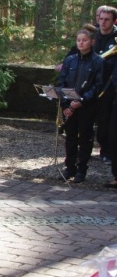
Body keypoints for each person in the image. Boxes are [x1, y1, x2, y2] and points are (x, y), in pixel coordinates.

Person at [56, 28, 105, 183]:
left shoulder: (98, 61)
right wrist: (65, 104)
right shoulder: (70, 60)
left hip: (86, 106)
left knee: (85, 138)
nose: (81, 43)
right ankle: (69, 167)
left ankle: (81, 169)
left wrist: (82, 100)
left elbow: (98, 85)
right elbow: (61, 82)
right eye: (78, 40)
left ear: (92, 42)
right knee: (70, 137)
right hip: (69, 106)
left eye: (84, 40)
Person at [92, 5, 117, 164]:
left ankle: (107, 151)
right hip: (93, 83)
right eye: (101, 19)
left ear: (115, 21)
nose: (103, 22)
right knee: (97, 118)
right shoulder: (94, 36)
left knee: (108, 120)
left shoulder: (118, 37)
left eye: (107, 19)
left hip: (110, 85)